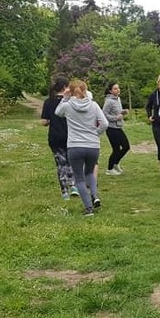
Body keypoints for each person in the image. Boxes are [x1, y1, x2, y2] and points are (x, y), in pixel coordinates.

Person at [55, 79, 108, 216]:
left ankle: (88, 208)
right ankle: (95, 195)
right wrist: (95, 134)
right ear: (85, 91)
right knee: (89, 173)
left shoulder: (67, 106)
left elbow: (57, 113)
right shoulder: (94, 105)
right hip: (92, 146)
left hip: (75, 146)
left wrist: (65, 98)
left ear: (71, 92)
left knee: (79, 178)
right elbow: (104, 124)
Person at [40, 76, 77, 200]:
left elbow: (44, 121)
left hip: (55, 137)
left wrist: (52, 121)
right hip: (70, 136)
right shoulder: (71, 101)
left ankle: (64, 191)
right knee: (71, 161)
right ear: (65, 88)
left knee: (61, 164)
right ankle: (73, 186)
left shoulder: (48, 101)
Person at [102, 82, 131, 176]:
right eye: (115, 89)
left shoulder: (118, 99)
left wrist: (123, 112)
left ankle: (115, 163)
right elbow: (104, 114)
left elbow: (117, 112)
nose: (118, 90)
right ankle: (109, 169)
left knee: (126, 146)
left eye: (118, 88)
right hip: (111, 128)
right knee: (116, 149)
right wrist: (115, 118)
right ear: (110, 91)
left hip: (118, 127)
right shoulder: (109, 101)